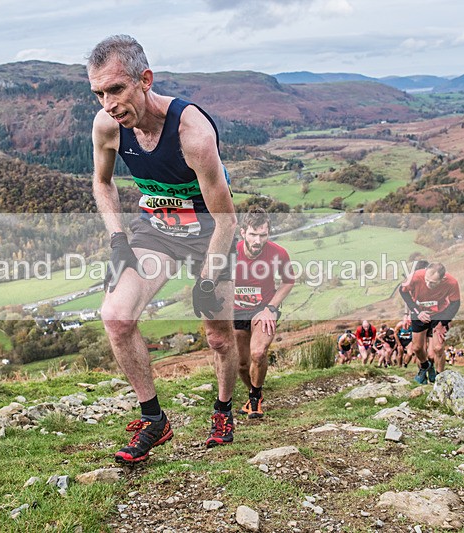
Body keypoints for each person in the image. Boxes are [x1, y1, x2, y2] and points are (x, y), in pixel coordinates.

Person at [88, 35, 238, 463]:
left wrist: (208, 279)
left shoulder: (192, 132)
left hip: (211, 235)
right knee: (116, 317)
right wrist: (118, 240)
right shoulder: (107, 126)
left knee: (219, 337)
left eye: (116, 89)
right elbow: (102, 182)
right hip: (158, 231)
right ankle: (154, 419)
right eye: (99, 93)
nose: (109, 103)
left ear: (145, 80)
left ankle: (223, 410)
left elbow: (226, 218)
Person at [233, 207, 295, 419]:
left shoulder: (278, 253)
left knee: (258, 353)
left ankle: (255, 398)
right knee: (241, 363)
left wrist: (271, 307)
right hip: (236, 311)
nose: (258, 240)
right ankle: (252, 390)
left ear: (269, 233)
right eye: (253, 234)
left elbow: (288, 281)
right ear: (243, 232)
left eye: (263, 235)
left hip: (264, 309)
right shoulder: (230, 252)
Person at [399, 262, 461, 384]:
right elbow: (402, 291)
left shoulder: (452, 283)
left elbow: (455, 304)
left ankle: (440, 378)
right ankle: (425, 366)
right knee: (416, 348)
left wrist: (443, 323)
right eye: (426, 280)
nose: (428, 284)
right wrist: (416, 312)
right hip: (420, 313)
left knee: (438, 348)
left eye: (432, 283)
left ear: (442, 279)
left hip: (439, 314)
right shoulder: (415, 276)